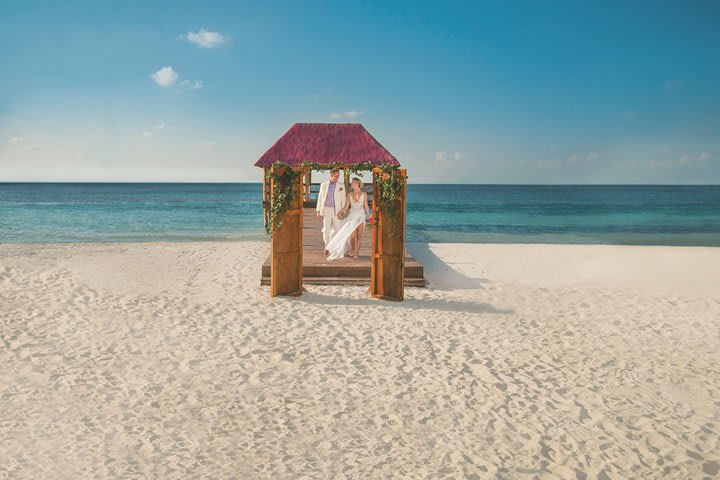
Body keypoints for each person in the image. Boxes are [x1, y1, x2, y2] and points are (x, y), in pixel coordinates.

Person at [326, 177, 371, 261]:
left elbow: (366, 206)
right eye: (352, 182)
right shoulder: (349, 194)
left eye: (353, 182)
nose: (352, 184)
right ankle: (352, 249)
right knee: (352, 235)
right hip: (352, 216)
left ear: (358, 183)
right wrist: (339, 212)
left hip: (361, 216)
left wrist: (369, 216)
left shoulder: (364, 194)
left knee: (359, 236)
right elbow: (346, 206)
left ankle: (356, 253)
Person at [315, 169, 347, 255]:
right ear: (331, 175)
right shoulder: (324, 185)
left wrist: (343, 211)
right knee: (326, 230)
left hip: (337, 211)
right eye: (336, 176)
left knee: (337, 230)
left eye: (338, 176)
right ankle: (327, 246)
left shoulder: (341, 186)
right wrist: (318, 210)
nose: (337, 178)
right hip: (326, 209)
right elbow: (320, 198)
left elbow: (343, 199)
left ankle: (332, 246)